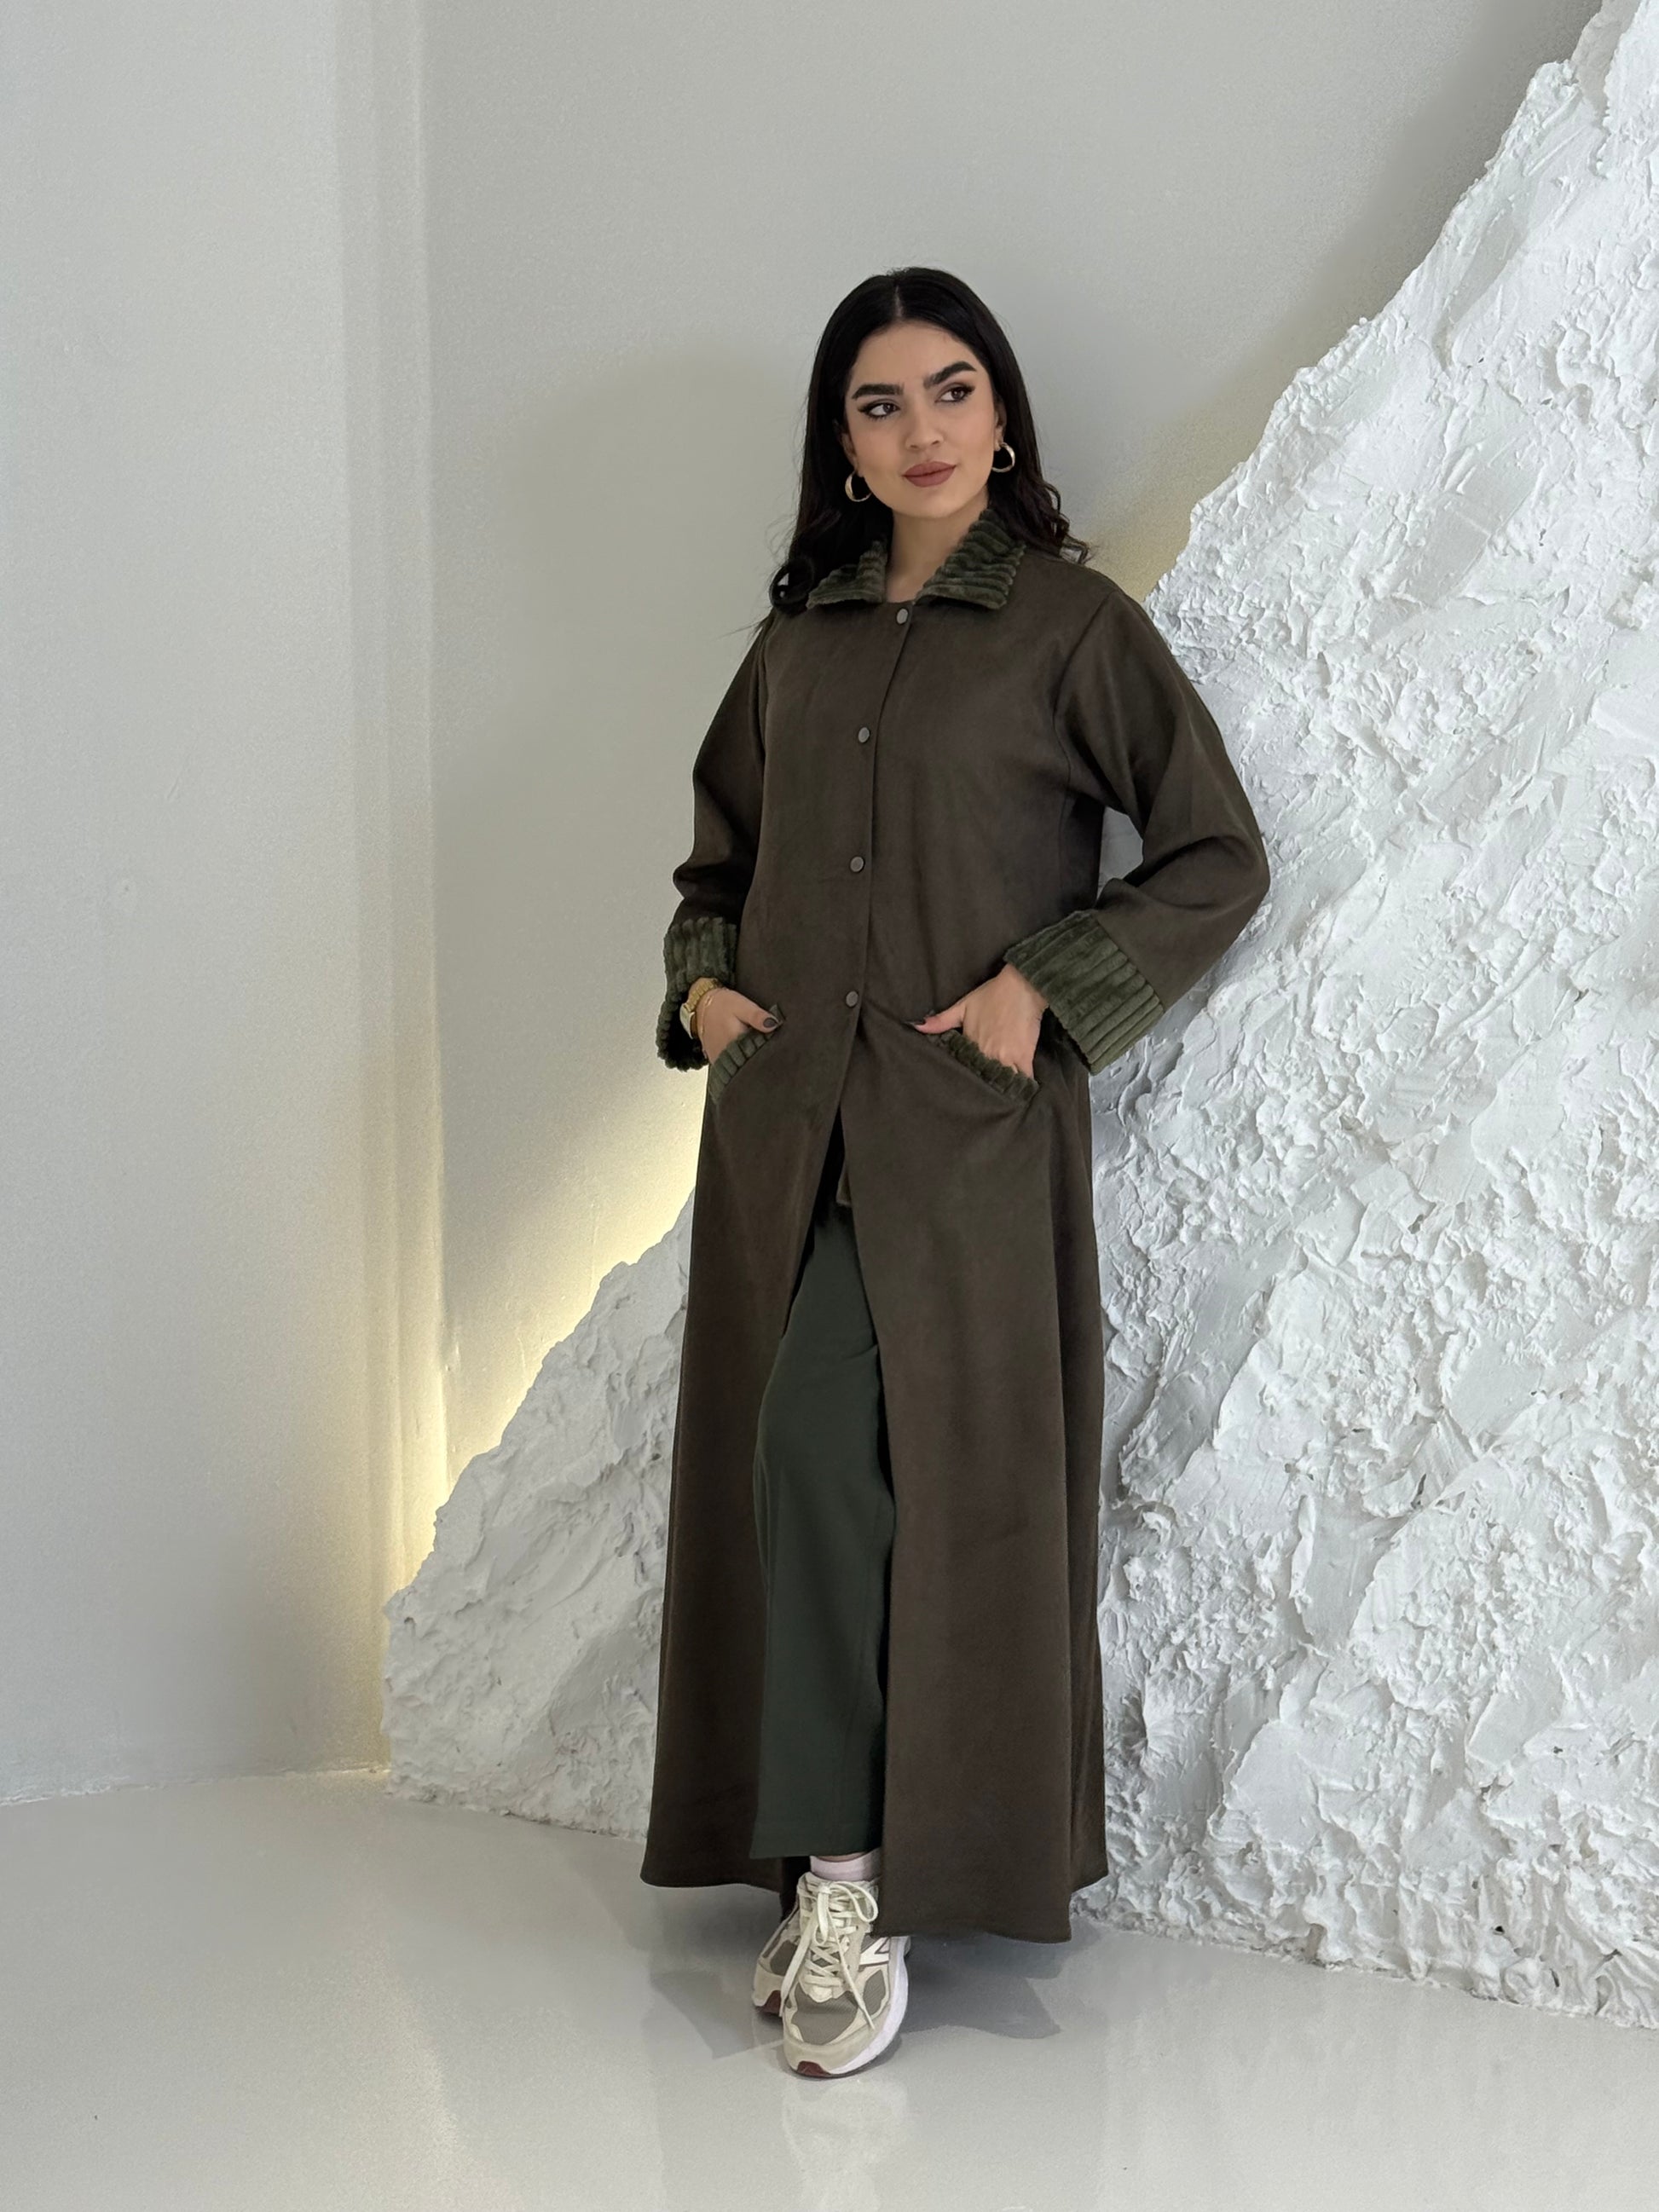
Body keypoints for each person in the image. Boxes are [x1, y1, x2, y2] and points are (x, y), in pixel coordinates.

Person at [641, 267, 1269, 2077]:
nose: (917, 430)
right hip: (785, 1129)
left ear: (1003, 415)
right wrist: (704, 990)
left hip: (958, 1136)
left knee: (909, 1484)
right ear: (838, 443)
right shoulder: (794, 645)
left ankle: (858, 1881)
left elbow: (1216, 850)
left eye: (949, 389)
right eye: (876, 402)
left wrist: (1037, 996)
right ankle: (824, 1861)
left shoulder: (1072, 630)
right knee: (795, 1472)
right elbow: (710, 868)